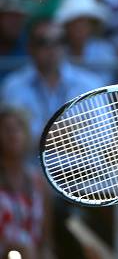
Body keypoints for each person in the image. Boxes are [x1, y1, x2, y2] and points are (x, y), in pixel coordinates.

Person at [0, 19, 103, 145]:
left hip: (80, 163)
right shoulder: (13, 86)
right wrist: (70, 131)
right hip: (32, 164)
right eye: (43, 42)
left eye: (59, 41)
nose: (52, 48)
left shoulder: (90, 83)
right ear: (30, 47)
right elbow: (14, 142)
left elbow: (105, 136)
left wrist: (44, 136)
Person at [0, 105, 54, 258]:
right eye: (6, 128)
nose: (13, 134)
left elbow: (46, 240)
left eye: (18, 127)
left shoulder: (39, 181)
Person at [54, 0, 116, 85]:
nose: (79, 28)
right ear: (67, 26)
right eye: (75, 23)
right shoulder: (57, 50)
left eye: (83, 23)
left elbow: (103, 84)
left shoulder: (105, 50)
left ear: (92, 25)